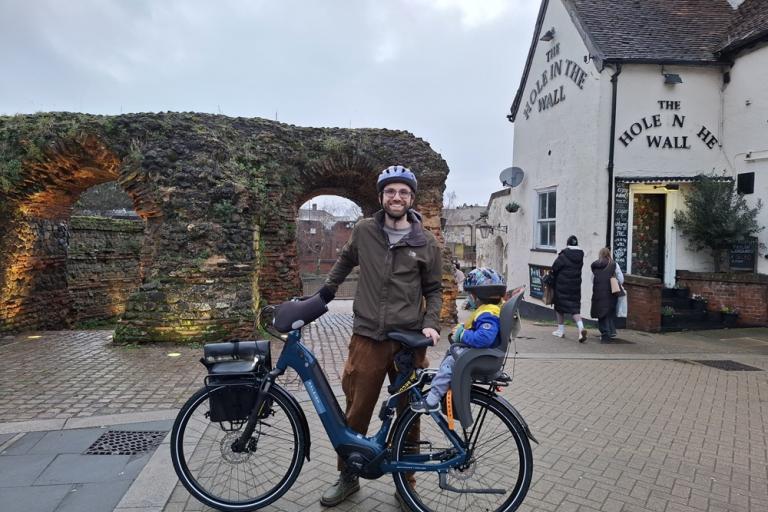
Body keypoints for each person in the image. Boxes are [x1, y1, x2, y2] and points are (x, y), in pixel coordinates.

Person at [316, 164, 442, 507]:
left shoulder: (425, 242)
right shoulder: (364, 231)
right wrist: (322, 297)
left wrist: (431, 321)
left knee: (409, 415)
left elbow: (434, 289)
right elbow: (343, 263)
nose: (396, 197)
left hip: (408, 344)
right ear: (381, 197)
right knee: (356, 410)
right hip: (368, 338)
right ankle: (348, 476)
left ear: (411, 198)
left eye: (403, 192)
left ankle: (407, 484)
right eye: (390, 191)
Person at [411, 267, 505, 413]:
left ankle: (432, 399)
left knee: (449, 363)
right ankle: (442, 383)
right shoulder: (490, 311)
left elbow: (484, 338)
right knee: (451, 355)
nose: (469, 298)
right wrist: (465, 329)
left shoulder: (488, 314)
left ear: (477, 296)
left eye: (470, 295)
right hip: (482, 354)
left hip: (480, 356)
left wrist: (463, 335)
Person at [551, 235, 587, 342]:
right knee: (574, 309)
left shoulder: (564, 255)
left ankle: (560, 330)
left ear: (568, 244)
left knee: (559, 307)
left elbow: (555, 267)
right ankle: (581, 329)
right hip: (575, 286)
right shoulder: (580, 256)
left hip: (562, 285)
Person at [590, 247, 624, 342]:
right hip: (611, 293)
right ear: (609, 254)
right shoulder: (614, 264)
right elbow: (621, 279)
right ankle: (609, 332)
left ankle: (605, 332)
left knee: (601, 313)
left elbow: (592, 280)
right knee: (609, 312)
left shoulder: (595, 265)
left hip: (598, 293)